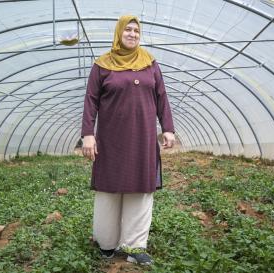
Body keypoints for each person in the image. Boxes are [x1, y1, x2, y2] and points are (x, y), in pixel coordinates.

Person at [80, 15, 175, 265]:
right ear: (119, 33)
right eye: (128, 30)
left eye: (136, 30)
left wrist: (168, 128)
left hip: (143, 138)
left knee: (140, 190)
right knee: (109, 190)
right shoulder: (102, 65)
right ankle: (107, 244)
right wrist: (88, 135)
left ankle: (135, 247)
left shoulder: (150, 64)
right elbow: (90, 101)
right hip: (110, 139)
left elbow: (162, 97)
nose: (132, 34)